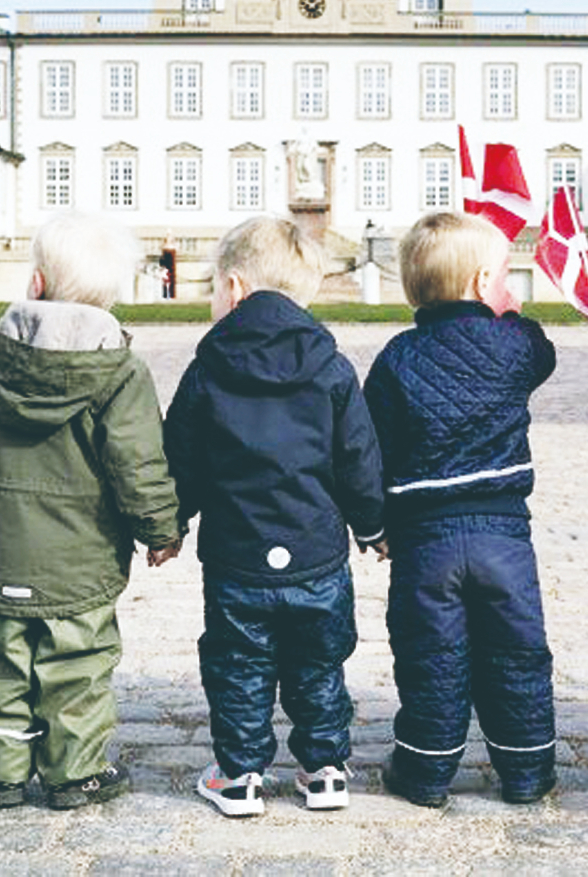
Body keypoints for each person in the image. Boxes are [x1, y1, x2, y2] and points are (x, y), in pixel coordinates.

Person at [0, 212, 180, 811]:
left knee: (1, 660)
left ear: (35, 284)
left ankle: (0, 774)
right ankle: (73, 771)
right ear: (111, 296)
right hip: (80, 555)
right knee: (78, 665)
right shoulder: (121, 370)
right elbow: (139, 463)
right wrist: (160, 530)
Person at [164, 216, 385, 817]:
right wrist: (372, 525)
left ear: (234, 289)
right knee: (319, 665)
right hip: (316, 555)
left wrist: (171, 524)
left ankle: (238, 777)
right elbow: (358, 457)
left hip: (238, 560)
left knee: (239, 666)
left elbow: (182, 459)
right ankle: (325, 771)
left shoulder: (208, 369)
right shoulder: (331, 367)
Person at [364, 211, 559, 808]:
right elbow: (542, 354)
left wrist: (378, 524)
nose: (510, 289)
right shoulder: (516, 343)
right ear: (481, 285)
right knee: (517, 651)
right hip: (503, 532)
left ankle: (424, 771)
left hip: (424, 537)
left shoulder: (396, 357)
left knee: (431, 654)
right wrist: (510, 316)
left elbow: (374, 445)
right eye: (504, 277)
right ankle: (526, 770)